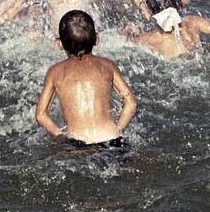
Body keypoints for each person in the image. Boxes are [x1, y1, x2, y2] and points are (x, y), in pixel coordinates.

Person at [35, 10, 137, 146]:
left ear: (59, 44)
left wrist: (61, 136)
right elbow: (131, 102)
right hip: (112, 140)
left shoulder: (55, 72)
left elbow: (41, 114)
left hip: (78, 144)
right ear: (96, 39)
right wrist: (118, 129)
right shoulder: (107, 65)